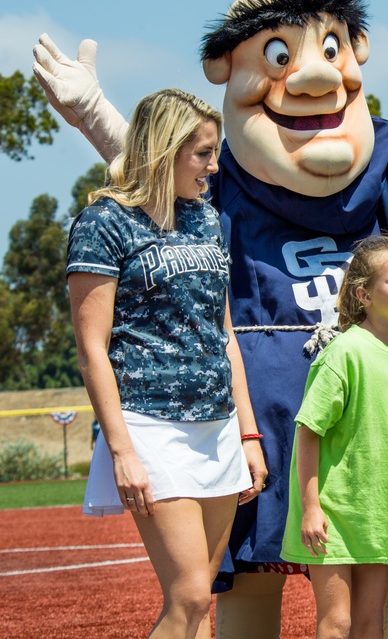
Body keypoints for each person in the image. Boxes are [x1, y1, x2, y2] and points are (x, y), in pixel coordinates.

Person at [33, 0, 388, 636]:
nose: (314, 75)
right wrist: (94, 110)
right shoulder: (225, 174)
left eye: (328, 48)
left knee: (371, 562)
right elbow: (159, 170)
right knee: (250, 573)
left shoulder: (380, 156)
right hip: (256, 408)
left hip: (371, 400)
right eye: (278, 55)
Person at [67, 88, 267, 638]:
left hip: (219, 425)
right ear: (165, 149)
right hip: (151, 427)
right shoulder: (103, 222)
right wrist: (122, 451)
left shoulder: (205, 218)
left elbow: (223, 333)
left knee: (200, 603)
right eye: (202, 153)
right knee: (190, 596)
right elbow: (92, 350)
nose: (213, 165)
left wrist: (248, 434)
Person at [280, 235, 388, 639]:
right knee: (337, 622)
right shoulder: (346, 352)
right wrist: (310, 508)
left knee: (370, 622)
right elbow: (308, 432)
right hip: (334, 515)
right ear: (364, 294)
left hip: (380, 518)